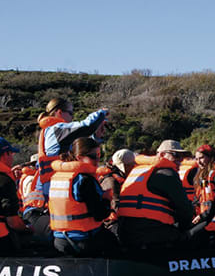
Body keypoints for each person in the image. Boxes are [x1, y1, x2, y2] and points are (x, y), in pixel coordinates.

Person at [23, 98, 109, 243]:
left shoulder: (55, 133)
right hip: (40, 210)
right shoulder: (56, 129)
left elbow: (82, 146)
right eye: (70, 113)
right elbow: (87, 126)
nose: (72, 117)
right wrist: (103, 112)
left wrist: (96, 137)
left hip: (47, 205)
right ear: (59, 112)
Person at [117, 140, 194, 250]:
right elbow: (185, 210)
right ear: (162, 154)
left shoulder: (138, 170)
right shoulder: (168, 173)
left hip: (125, 234)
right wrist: (185, 228)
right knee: (192, 237)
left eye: (182, 156)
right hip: (150, 234)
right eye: (176, 155)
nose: (180, 160)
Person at [48, 137, 119, 256]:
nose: (97, 160)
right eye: (93, 156)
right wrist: (107, 198)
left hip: (60, 241)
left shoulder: (57, 177)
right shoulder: (85, 180)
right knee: (115, 242)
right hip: (84, 241)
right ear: (79, 157)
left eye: (99, 155)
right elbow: (100, 214)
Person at [0, 138, 32, 254]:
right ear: (5, 154)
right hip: (2, 240)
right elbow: (13, 222)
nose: (12, 157)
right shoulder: (4, 181)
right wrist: (27, 229)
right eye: (11, 154)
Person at [97, 149, 136, 231]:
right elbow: (115, 205)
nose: (133, 168)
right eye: (131, 165)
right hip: (111, 224)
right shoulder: (111, 181)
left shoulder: (118, 177)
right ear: (124, 166)